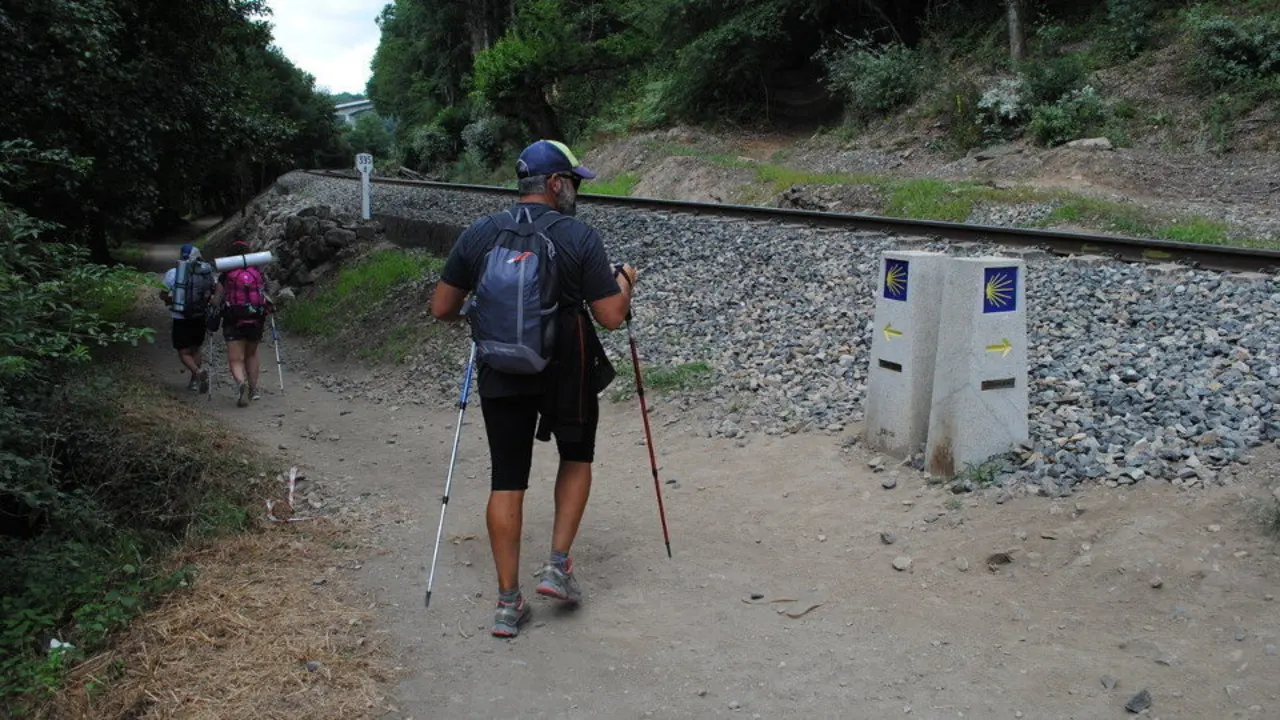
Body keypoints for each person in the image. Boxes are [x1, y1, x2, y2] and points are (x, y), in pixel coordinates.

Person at [431, 139, 638, 638]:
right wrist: (626, 279)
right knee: (576, 456)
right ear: (553, 183)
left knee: (507, 478)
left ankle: (507, 604)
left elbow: (442, 308)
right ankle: (557, 568)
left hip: (501, 369)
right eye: (573, 181)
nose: (576, 191)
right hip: (568, 368)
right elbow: (611, 317)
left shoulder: (481, 232)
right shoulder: (578, 236)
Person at [208, 239, 271, 407]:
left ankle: (240, 383)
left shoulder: (226, 274)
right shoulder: (257, 271)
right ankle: (253, 390)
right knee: (251, 354)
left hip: (233, 319)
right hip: (256, 318)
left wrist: (212, 302)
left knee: (236, 359)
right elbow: (266, 294)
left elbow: (216, 301)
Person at [160, 244, 211, 393]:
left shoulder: (173, 273)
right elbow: (209, 293)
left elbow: (163, 295)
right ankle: (194, 382)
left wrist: (171, 301)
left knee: (183, 351)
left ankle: (197, 372)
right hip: (199, 316)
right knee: (196, 348)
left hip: (180, 317)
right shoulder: (204, 273)